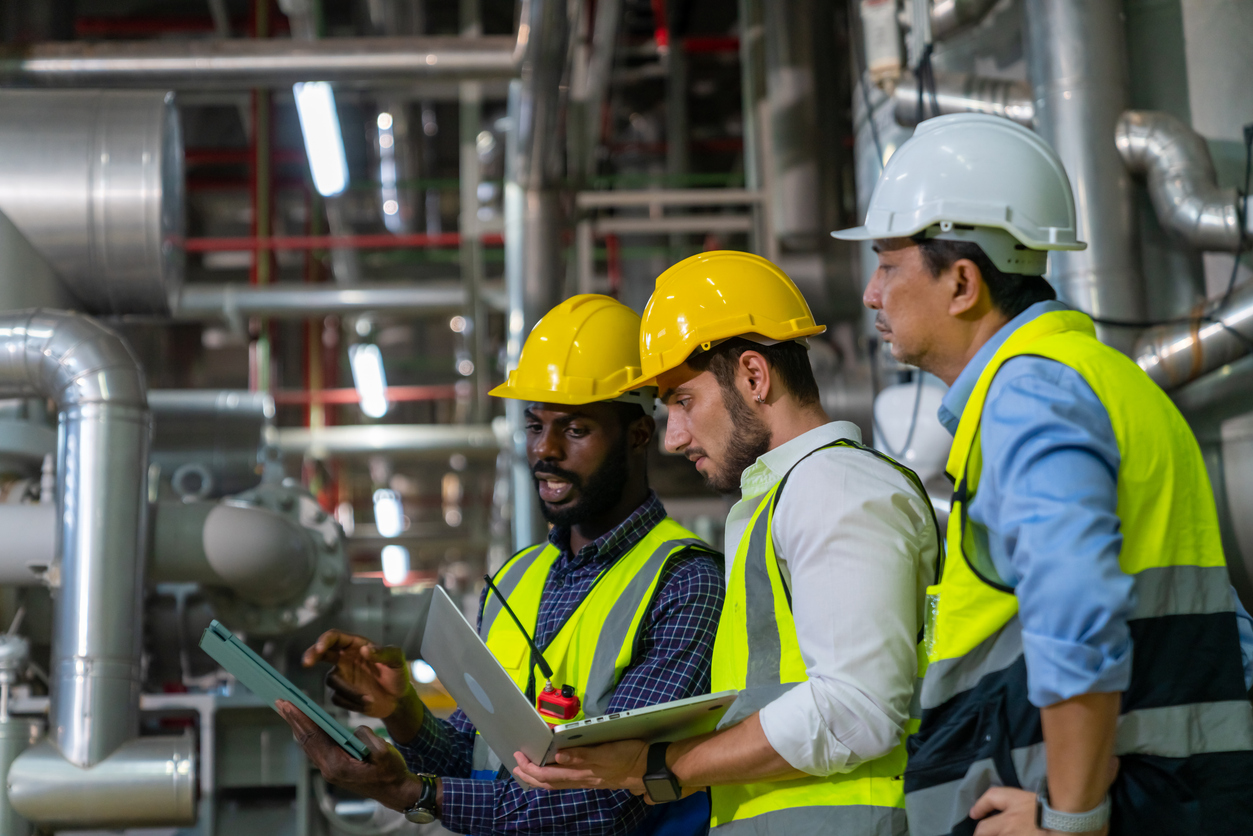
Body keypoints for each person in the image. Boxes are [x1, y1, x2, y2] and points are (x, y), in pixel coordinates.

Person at [831, 112, 1253, 835]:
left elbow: (1072, 603)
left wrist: (1072, 817)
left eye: (887, 264)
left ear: (962, 283)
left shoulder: (1029, 395)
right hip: (1171, 800)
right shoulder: (1097, 381)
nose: (871, 294)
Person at [514, 251, 940, 835]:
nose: (673, 438)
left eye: (683, 402)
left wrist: (661, 765)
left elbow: (855, 712)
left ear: (753, 376)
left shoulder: (833, 487)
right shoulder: (781, 501)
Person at [276, 294, 725, 836]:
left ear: (637, 435)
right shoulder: (517, 577)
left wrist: (411, 794)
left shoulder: (685, 580)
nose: (545, 451)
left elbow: (605, 804)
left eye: (575, 430)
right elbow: (479, 755)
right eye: (536, 426)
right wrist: (402, 711)